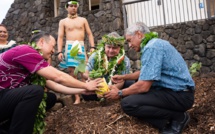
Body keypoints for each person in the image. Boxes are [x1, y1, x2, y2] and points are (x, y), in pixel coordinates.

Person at [0, 31, 101, 134]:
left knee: (49, 98)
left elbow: (54, 84)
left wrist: (83, 90)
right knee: (35, 92)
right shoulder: (26, 50)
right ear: (41, 42)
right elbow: (58, 77)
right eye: (52, 46)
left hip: (6, 98)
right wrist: (86, 85)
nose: (53, 51)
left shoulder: (33, 62)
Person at [105, 22, 195, 134]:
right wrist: (124, 77)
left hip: (180, 96)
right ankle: (166, 117)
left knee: (128, 104)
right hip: (177, 93)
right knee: (129, 87)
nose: (130, 45)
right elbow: (146, 72)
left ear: (139, 34)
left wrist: (119, 93)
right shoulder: (154, 44)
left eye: (129, 40)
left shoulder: (152, 47)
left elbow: (143, 86)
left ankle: (177, 117)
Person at [57, 0, 95, 104]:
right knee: (72, 72)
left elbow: (89, 34)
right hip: (69, 46)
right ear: (67, 7)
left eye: (75, 6)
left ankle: (86, 94)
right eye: (71, 6)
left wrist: (92, 46)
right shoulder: (63, 21)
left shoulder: (83, 20)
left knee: (83, 72)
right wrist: (59, 51)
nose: (73, 8)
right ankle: (77, 98)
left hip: (80, 46)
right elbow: (60, 37)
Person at [82, 32, 131, 101]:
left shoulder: (125, 60)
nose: (111, 50)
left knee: (129, 84)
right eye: (108, 47)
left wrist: (109, 90)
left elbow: (122, 81)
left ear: (120, 48)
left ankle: (116, 98)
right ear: (104, 46)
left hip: (115, 87)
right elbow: (85, 74)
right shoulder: (95, 56)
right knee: (85, 93)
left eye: (114, 48)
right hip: (98, 86)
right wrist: (91, 78)